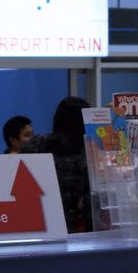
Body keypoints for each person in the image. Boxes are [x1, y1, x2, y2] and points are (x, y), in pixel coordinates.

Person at [28, 96, 94, 232]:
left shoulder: (36, 144)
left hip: (36, 222)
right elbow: (90, 204)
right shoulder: (87, 152)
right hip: (73, 229)